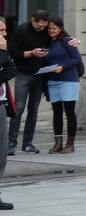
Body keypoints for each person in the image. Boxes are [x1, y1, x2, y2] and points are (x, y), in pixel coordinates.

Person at [6, 10, 80, 156]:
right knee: (18, 108)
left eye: (44, 26)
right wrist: (31, 53)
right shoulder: (21, 30)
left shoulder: (48, 31)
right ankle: (11, 143)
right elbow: (12, 53)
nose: (42, 29)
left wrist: (76, 40)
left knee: (34, 109)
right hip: (23, 74)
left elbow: (62, 36)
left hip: (41, 76)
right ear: (32, 20)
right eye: (38, 26)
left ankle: (28, 143)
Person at [44, 17, 83, 154]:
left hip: (68, 80)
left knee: (69, 112)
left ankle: (70, 144)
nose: (51, 31)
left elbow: (77, 59)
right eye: (49, 28)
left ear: (60, 28)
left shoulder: (67, 40)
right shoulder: (49, 42)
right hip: (53, 81)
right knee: (57, 113)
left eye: (54, 28)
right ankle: (58, 144)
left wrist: (63, 67)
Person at [1, 18, 17, 209]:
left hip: (1, 104)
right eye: (1, 30)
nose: (5, 33)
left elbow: (11, 69)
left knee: (1, 153)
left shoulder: (3, 49)